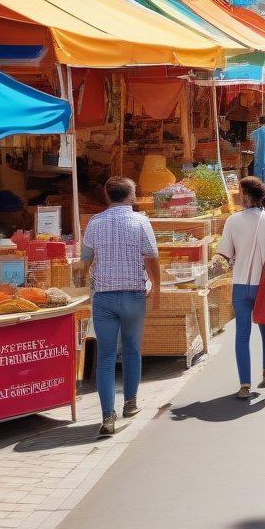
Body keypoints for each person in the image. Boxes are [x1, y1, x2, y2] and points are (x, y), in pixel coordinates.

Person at [79, 177, 160, 436]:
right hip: (133, 294)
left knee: (105, 356)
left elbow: (86, 260)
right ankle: (131, 402)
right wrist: (157, 286)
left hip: (103, 297)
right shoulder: (140, 222)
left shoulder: (94, 222)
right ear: (132, 195)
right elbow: (151, 257)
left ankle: (107, 416)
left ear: (107, 195)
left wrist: (87, 280)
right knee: (132, 350)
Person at [216, 175, 265, 400]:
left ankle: (244, 384)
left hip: (240, 285)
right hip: (263, 285)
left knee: (242, 335)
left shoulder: (233, 221)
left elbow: (224, 252)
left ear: (246, 195)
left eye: (239, 192)